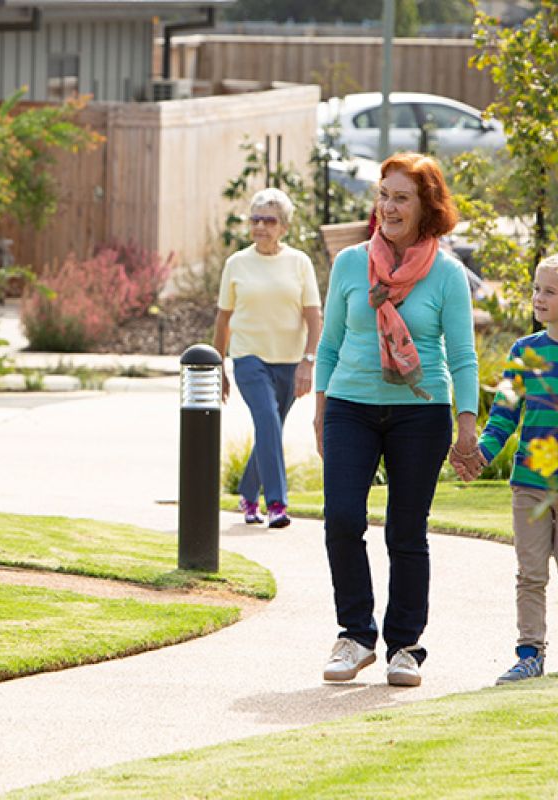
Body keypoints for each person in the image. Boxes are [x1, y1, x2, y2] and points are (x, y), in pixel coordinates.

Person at [315, 152, 478, 687]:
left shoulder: (448, 275)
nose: (388, 206)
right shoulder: (349, 264)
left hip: (421, 412)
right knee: (341, 518)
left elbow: (462, 355)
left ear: (426, 206)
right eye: (383, 194)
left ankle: (404, 645)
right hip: (349, 407)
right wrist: (320, 410)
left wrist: (466, 424)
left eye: (401, 197)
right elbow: (330, 343)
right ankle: (356, 635)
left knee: (407, 532)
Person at [453, 253, 558, 685]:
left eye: (549, 291)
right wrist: (479, 453)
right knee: (530, 575)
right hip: (530, 487)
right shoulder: (525, 353)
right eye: (536, 288)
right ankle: (529, 653)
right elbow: (503, 416)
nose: (538, 297)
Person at [213, 188, 321, 529]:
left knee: (269, 429)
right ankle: (276, 503)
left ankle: (248, 494)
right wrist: (219, 368)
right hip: (248, 358)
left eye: (269, 220)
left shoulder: (300, 263)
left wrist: (308, 360)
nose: (260, 227)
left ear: (284, 226)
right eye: (255, 219)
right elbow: (222, 319)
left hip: (290, 361)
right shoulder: (237, 264)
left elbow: (314, 316)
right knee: (268, 421)